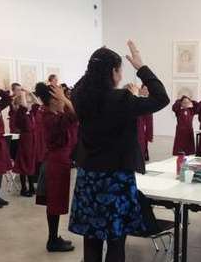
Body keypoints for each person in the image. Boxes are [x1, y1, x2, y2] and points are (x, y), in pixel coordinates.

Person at [68, 41, 170, 262]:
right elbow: (162, 98)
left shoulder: (79, 97)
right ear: (113, 72)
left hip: (88, 178)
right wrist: (141, 66)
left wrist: (98, 60)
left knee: (91, 239)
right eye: (119, 70)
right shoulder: (122, 99)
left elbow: (82, 83)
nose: (121, 75)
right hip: (115, 178)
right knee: (116, 240)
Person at [35, 82, 77, 252]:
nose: (63, 101)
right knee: (54, 203)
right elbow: (75, 114)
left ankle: (53, 237)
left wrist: (63, 98)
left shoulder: (52, 114)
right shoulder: (50, 118)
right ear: (53, 100)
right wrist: (66, 99)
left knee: (55, 203)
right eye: (60, 98)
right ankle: (52, 240)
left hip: (58, 161)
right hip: (56, 163)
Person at [13, 89, 40, 197]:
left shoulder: (30, 112)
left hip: (32, 139)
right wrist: (23, 94)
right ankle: (24, 188)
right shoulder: (20, 112)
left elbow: (37, 103)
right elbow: (24, 104)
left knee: (31, 162)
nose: (29, 103)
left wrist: (30, 92)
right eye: (27, 102)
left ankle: (32, 187)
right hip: (26, 140)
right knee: (25, 163)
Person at [137, 85, 153, 161]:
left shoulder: (150, 101)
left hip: (146, 127)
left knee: (145, 143)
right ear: (141, 90)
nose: (146, 91)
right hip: (139, 126)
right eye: (145, 89)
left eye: (147, 89)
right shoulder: (138, 100)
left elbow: (150, 120)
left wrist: (150, 134)